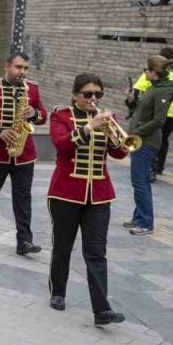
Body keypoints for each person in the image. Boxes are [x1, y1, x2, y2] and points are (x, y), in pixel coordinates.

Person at [47, 73, 129, 326]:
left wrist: (114, 135)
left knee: (96, 251)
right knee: (63, 246)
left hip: (99, 195)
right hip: (65, 192)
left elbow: (119, 152)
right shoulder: (60, 116)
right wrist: (88, 127)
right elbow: (61, 144)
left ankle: (101, 309)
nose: (93, 99)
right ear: (75, 95)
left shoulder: (109, 118)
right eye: (87, 94)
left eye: (98, 94)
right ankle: (58, 291)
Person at [0, 52, 47, 255]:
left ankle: (24, 241)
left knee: (23, 196)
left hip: (23, 153)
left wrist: (35, 114)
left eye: (25, 68)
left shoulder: (32, 89)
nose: (21, 71)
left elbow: (43, 116)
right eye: (18, 67)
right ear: (7, 66)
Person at [123, 55, 173, 236]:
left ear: (154, 72)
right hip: (140, 140)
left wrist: (136, 131)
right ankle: (138, 217)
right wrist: (131, 99)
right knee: (140, 181)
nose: (144, 72)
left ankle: (145, 223)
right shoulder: (154, 88)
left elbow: (159, 120)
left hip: (146, 142)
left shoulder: (162, 91)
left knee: (140, 182)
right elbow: (140, 111)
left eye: (146, 69)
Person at [132, 47, 173, 179]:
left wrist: (140, 105)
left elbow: (137, 91)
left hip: (151, 116)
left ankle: (150, 168)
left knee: (149, 140)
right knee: (163, 141)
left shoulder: (152, 73)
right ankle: (159, 168)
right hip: (170, 116)